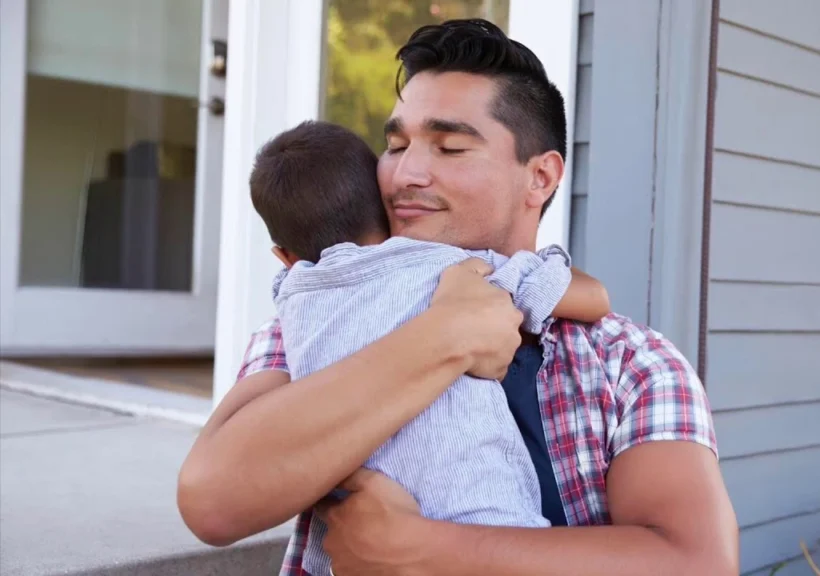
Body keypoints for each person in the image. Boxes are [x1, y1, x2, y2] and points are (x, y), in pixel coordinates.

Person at [178, 18, 739, 576]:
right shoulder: (318, 315)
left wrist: (421, 550)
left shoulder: (630, 364)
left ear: (540, 177)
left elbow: (698, 563)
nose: (405, 174)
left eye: (448, 147)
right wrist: (443, 338)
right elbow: (214, 502)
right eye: (395, 145)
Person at [250, 120, 611, 575]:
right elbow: (593, 299)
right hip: (481, 517)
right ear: (388, 212)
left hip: (349, 544)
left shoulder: (290, 300)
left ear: (284, 257)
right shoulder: (444, 266)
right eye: (397, 147)